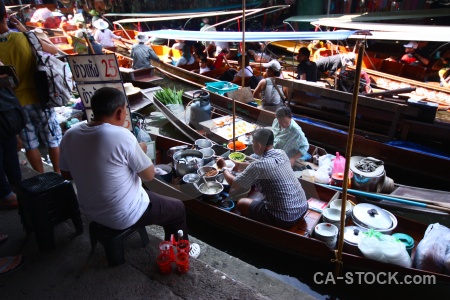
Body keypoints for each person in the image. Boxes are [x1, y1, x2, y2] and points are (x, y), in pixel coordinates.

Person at [59, 87, 200, 257]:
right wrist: (140, 150)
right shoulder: (121, 136)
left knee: (159, 201)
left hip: (89, 210)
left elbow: (67, 174)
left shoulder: (70, 133)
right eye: (125, 111)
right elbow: (148, 175)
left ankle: (171, 243)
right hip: (122, 215)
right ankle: (180, 250)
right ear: (119, 112)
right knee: (177, 208)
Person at [0, 4, 61, 174]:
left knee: (30, 143)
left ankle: (41, 178)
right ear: (5, 14)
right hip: (40, 96)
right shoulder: (23, 37)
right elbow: (53, 50)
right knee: (52, 139)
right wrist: (25, 30)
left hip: (15, 102)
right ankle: (57, 174)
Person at [216, 129, 308, 229]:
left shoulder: (258, 166)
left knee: (241, 203)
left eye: (253, 143)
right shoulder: (281, 153)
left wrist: (224, 167)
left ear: (259, 145)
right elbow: (263, 164)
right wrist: (240, 165)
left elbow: (235, 184)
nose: (252, 145)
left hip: (285, 218)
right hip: (303, 207)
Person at [0, 75, 22, 209]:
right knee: (8, 147)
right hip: (5, 112)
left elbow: (11, 79)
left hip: (5, 112)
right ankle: (11, 191)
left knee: (9, 147)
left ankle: (11, 192)